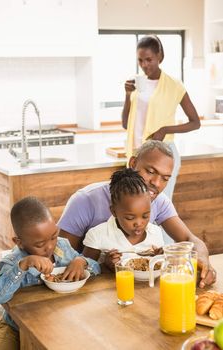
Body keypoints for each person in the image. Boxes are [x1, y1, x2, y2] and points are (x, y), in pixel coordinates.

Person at [58, 140, 216, 288]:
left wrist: (203, 261)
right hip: (90, 289)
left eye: (165, 178)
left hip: (138, 287)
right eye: (150, 171)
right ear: (133, 163)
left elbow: (189, 239)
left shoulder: (160, 202)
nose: (157, 183)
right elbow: (60, 256)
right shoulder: (85, 200)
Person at [0, 196, 100, 350]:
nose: (50, 247)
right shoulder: (13, 262)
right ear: (19, 242)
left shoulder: (63, 247)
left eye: (53, 236)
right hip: (15, 326)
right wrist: (23, 265)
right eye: (40, 244)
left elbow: (96, 268)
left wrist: (81, 262)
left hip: (59, 322)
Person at [121, 34, 200, 201]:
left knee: (160, 208)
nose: (144, 65)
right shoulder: (135, 84)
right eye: (140, 60)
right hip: (137, 155)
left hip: (163, 155)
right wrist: (128, 95)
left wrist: (165, 129)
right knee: (136, 207)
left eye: (149, 59)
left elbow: (195, 122)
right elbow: (126, 124)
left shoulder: (174, 85)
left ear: (160, 57)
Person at [83, 168, 164, 271]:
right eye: (130, 218)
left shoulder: (155, 233)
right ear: (114, 211)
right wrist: (105, 266)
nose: (139, 223)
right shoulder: (97, 235)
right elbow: (85, 271)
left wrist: (160, 258)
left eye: (145, 216)